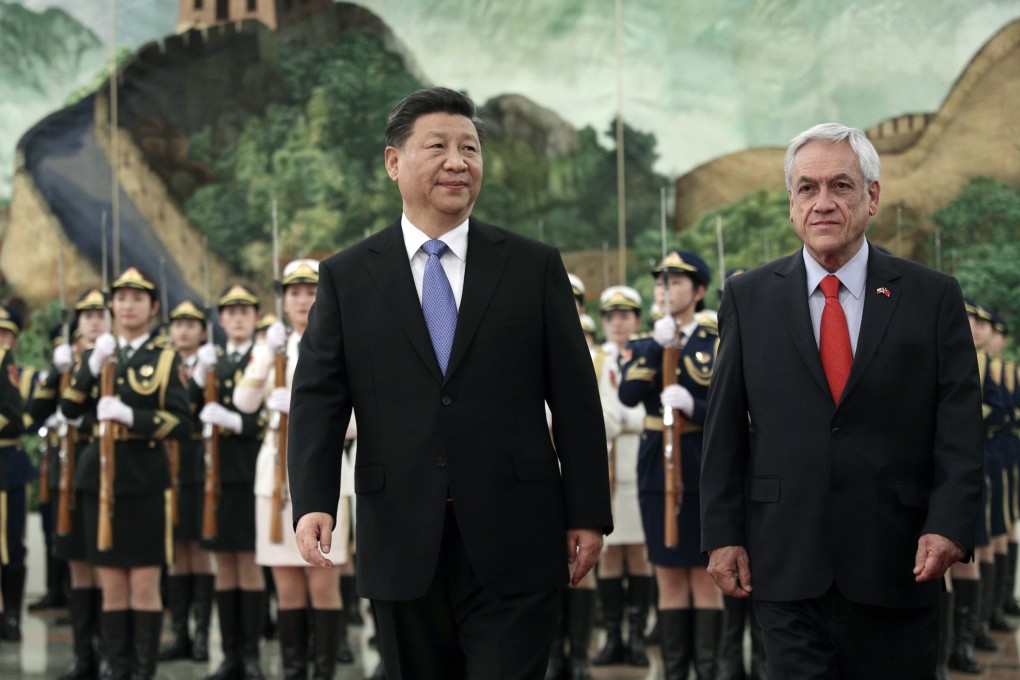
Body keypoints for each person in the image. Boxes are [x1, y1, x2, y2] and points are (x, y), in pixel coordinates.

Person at [287, 86, 613, 679]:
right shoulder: (347, 277)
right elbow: (318, 400)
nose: (458, 162)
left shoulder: (532, 266)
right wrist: (313, 500)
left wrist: (588, 512)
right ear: (394, 162)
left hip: (517, 532)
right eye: (438, 147)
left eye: (470, 148)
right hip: (401, 532)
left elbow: (575, 400)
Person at [701, 122, 985, 679]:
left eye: (841, 186)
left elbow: (959, 430)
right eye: (807, 188)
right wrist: (722, 536)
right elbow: (724, 430)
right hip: (786, 565)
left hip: (899, 563)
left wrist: (950, 524)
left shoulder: (932, 297)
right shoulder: (747, 298)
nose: (823, 203)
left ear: (872, 196)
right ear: (791, 203)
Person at [60, 267, 193, 680]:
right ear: (112, 306)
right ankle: (118, 671)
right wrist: (91, 365)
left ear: (153, 307)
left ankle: (142, 673)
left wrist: (132, 417)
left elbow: (182, 424)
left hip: (144, 479)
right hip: (98, 480)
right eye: (120, 298)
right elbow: (69, 408)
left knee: (144, 585)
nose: (128, 305)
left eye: (137, 298)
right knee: (113, 587)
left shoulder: (165, 359)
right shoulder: (99, 354)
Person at [233, 259, 355, 679]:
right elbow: (243, 402)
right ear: (283, 301)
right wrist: (266, 356)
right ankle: (293, 672)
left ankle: (323, 673)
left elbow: (361, 420)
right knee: (286, 587)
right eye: (294, 293)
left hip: (326, 473)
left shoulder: (342, 342)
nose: (303, 300)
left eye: (311, 291)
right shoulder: (274, 347)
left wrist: (311, 415)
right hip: (275, 478)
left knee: (322, 584)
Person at [618, 251, 722, 679]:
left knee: (705, 578)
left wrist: (694, 405)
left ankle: (709, 671)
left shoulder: (715, 342)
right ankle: (675, 671)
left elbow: (730, 406)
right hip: (656, 470)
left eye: (676, 283)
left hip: (700, 465)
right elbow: (627, 396)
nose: (665, 290)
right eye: (662, 283)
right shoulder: (647, 342)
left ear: (699, 292)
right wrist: (656, 347)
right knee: (669, 576)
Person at [190, 284, 268, 680]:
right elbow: (187, 410)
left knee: (250, 565)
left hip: (252, 472)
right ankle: (229, 655)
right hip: (216, 477)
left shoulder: (265, 358)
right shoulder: (213, 362)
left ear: (255, 317)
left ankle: (250, 656)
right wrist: (196, 376)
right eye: (230, 312)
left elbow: (273, 414)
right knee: (223, 566)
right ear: (220, 320)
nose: (237, 318)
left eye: (244, 311)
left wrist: (239, 422)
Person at [29, 289, 105, 678]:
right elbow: (35, 413)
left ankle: (108, 652)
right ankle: (83, 652)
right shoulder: (67, 365)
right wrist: (55, 374)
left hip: (104, 469)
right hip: (70, 474)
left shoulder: (114, 361)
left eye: (99, 315)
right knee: (78, 564)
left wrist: (83, 420)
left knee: (105, 564)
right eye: (86, 316)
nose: (93, 322)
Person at [591, 286, 653, 670]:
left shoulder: (648, 354)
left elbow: (650, 411)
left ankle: (638, 637)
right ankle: (613, 638)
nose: (618, 323)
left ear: (637, 319)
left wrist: (622, 418)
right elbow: (592, 413)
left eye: (625, 316)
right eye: (611, 316)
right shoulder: (595, 359)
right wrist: (617, 420)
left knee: (640, 555)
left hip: (641, 463)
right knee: (610, 555)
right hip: (607, 468)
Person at [159, 300, 216, 663]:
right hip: (168, 462)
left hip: (200, 463)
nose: (183, 331)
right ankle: (180, 633)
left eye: (190, 324)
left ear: (202, 331)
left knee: (200, 549)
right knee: (177, 551)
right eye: (177, 324)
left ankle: (202, 635)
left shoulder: (212, 363)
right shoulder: (163, 365)